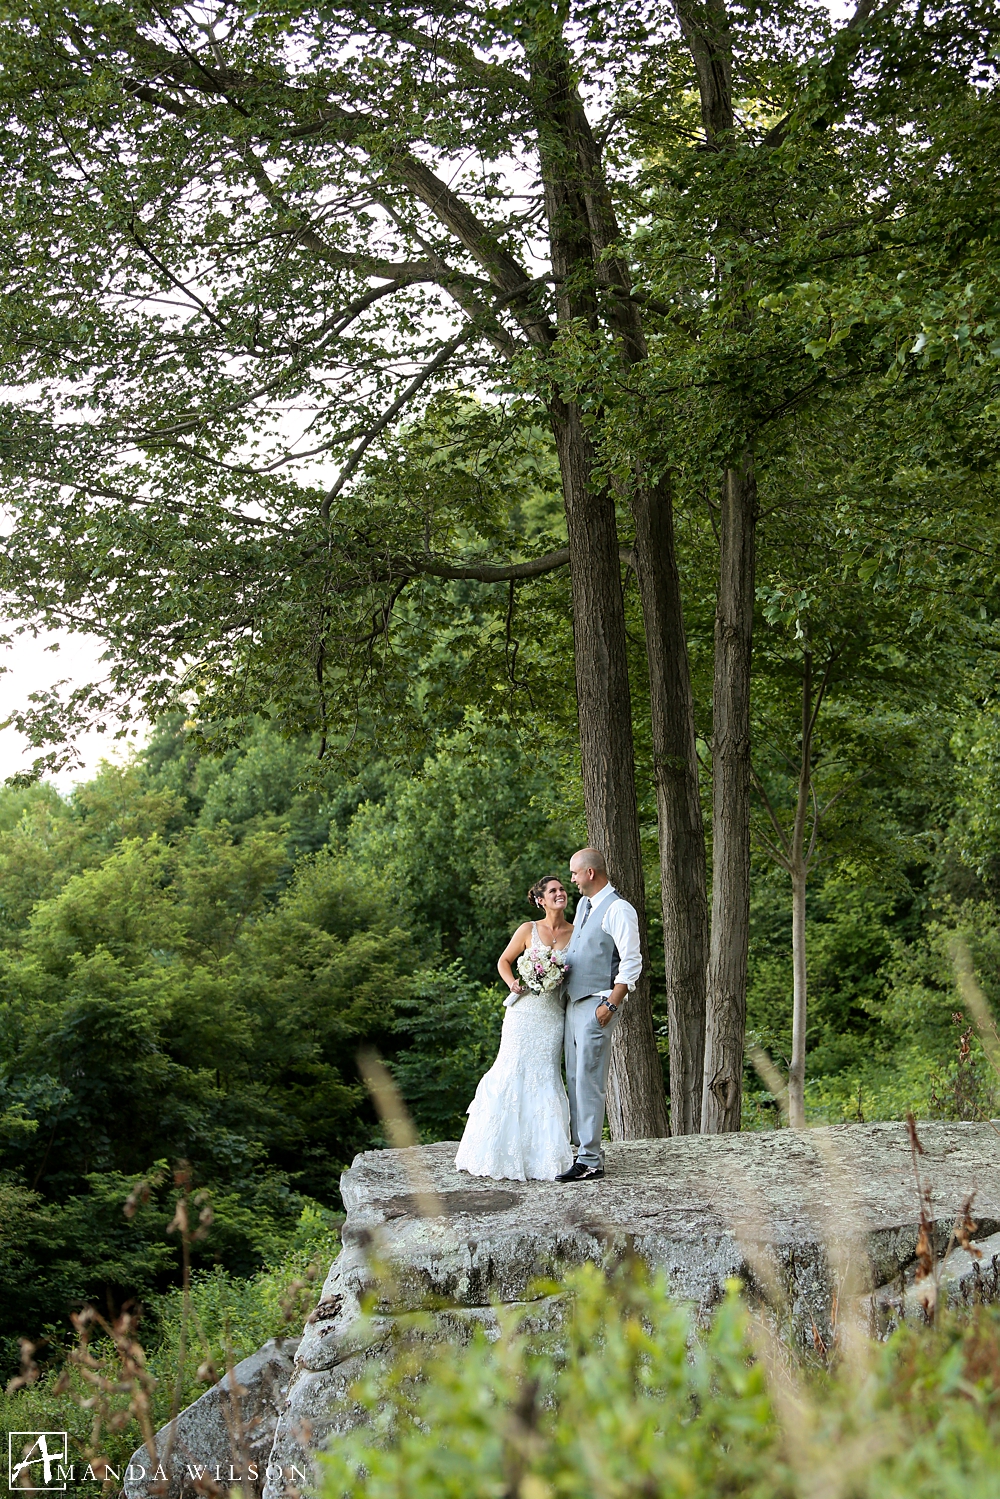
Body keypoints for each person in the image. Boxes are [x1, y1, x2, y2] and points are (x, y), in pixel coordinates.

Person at [454, 875, 575, 1181]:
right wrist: (513, 983)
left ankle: (544, 1156)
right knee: (511, 1070)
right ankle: (496, 1151)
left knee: (545, 1075)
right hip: (522, 1015)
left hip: (552, 1016)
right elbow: (504, 961)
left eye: (562, 889)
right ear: (540, 900)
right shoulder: (528, 929)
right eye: (553, 891)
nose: (560, 893)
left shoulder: (576, 932)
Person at [557, 847, 643, 1182]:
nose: (573, 881)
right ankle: (583, 1150)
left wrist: (611, 1004)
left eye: (575, 874)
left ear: (590, 873)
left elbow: (631, 961)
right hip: (573, 1002)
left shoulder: (619, 909)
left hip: (598, 1004)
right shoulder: (583, 906)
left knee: (590, 1080)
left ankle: (590, 1160)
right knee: (576, 1078)